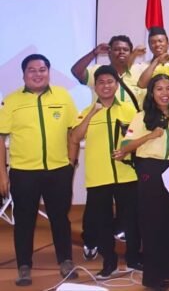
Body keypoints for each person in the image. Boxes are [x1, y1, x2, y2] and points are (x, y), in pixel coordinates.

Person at [0, 54, 79, 286]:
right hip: (24, 172)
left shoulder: (63, 96)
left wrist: (70, 164)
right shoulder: (11, 100)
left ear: (49, 72)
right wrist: (2, 173)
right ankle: (24, 266)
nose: (38, 74)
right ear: (24, 74)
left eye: (42, 69)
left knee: (60, 218)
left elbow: (72, 132)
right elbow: (1, 137)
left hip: (58, 171)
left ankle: (65, 260)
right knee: (24, 220)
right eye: (32, 70)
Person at [70, 66, 140, 280]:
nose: (106, 86)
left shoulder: (129, 110)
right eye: (101, 82)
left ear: (116, 85)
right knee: (103, 222)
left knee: (131, 220)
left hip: (127, 174)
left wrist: (128, 149)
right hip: (99, 177)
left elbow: (138, 137)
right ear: (95, 86)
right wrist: (92, 113)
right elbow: (75, 137)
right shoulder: (86, 111)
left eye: (110, 81)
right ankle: (108, 262)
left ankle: (134, 259)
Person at [117, 74, 169, 291]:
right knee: (153, 225)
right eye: (159, 89)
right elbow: (124, 148)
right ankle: (153, 279)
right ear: (152, 93)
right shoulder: (141, 116)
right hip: (150, 171)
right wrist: (150, 136)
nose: (165, 93)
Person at [71, 34, 141, 106]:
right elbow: (76, 71)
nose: (121, 52)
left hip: (134, 116)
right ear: (109, 53)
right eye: (116, 49)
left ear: (131, 53)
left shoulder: (139, 72)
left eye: (125, 50)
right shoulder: (98, 71)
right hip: (103, 116)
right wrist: (94, 52)